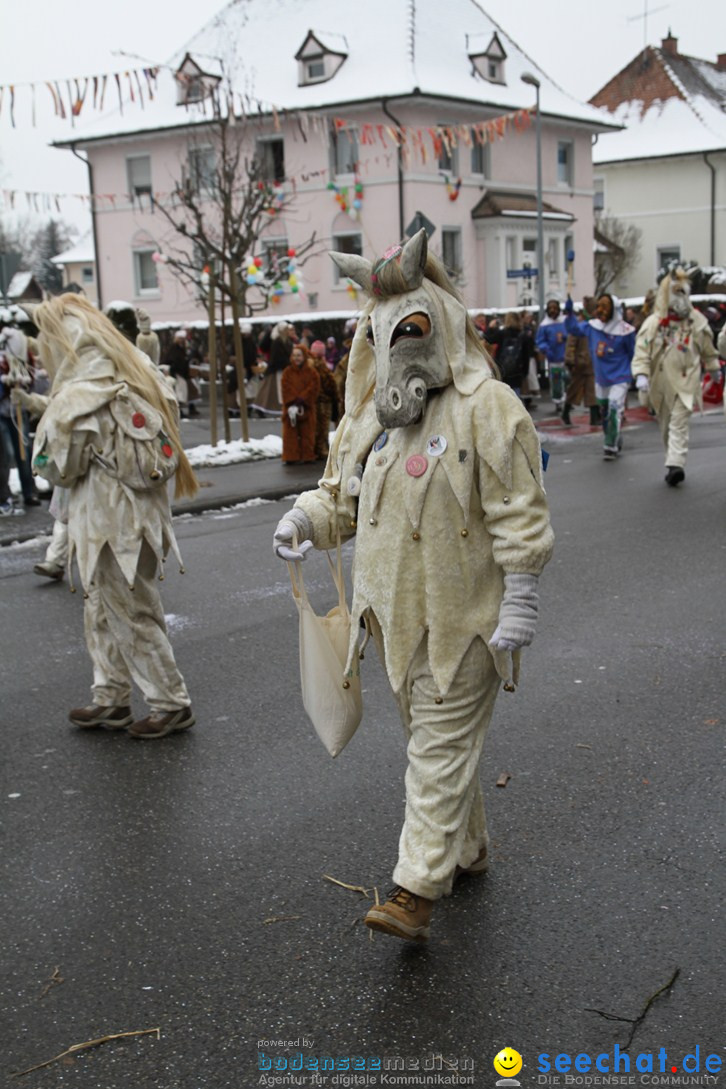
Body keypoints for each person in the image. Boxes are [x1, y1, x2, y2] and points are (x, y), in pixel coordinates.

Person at [273, 231, 553, 943]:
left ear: (440, 325)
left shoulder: (487, 408)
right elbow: (341, 498)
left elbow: (519, 507)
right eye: (381, 334)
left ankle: (413, 888)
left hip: (467, 619)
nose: (396, 350)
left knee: (436, 745)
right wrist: (304, 519)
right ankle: (468, 847)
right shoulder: (368, 422)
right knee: (437, 742)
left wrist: (521, 592)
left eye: (411, 331)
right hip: (392, 623)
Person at [30, 294, 198, 739]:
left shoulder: (79, 392)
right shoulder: (137, 367)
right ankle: (111, 696)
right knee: (102, 608)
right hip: (140, 516)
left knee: (128, 610)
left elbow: (54, 466)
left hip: (106, 523)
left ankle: (170, 701)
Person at [631, 268, 719, 486]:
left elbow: (707, 346)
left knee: (679, 422)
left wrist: (713, 366)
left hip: (687, 380)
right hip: (661, 384)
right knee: (666, 424)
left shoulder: (695, 320)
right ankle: (672, 459)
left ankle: (675, 464)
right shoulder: (654, 323)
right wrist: (641, 374)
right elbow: (642, 350)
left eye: (683, 292)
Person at [564, 293, 636, 460]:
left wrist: (637, 375)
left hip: (620, 377)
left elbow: (633, 353)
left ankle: (610, 446)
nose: (600, 310)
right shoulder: (593, 326)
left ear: (614, 309)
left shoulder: (626, 331)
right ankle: (614, 436)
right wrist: (569, 313)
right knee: (604, 411)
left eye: (605, 307)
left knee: (613, 408)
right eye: (599, 306)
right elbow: (573, 329)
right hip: (601, 378)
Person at [0, 327, 42, 507]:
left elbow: (27, 379)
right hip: (1, 411)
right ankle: (3, 495)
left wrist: (20, 382)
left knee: (23, 453)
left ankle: (29, 491)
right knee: (5, 454)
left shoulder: (17, 351)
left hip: (18, 409)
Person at [561, 297, 600, 426]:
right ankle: (565, 412)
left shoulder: (597, 325)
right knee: (574, 389)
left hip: (592, 364)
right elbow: (571, 341)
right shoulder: (583, 326)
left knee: (591, 391)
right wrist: (570, 361)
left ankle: (594, 417)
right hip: (580, 363)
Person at [281, 345, 320, 465]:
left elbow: (314, 387)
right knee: (290, 434)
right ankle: (290, 456)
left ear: (304, 357)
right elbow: (285, 387)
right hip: (290, 407)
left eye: (299, 355)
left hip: (306, 407)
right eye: (294, 355)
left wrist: (302, 399)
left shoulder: (312, 372)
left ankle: (308, 455)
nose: (296, 358)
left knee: (307, 433)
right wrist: (293, 400)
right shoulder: (287, 372)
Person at [484, 311, 531, 396]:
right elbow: (526, 355)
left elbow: (488, 339)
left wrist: (491, 328)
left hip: (503, 369)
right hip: (517, 370)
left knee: (504, 393)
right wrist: (525, 372)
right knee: (516, 394)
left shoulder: (502, 333)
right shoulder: (523, 335)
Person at [535, 298, 568, 413]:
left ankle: (568, 401)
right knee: (556, 382)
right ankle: (558, 403)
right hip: (554, 358)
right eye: (550, 309)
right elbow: (539, 340)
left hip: (567, 358)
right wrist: (546, 349)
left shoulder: (564, 321)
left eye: (555, 308)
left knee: (568, 380)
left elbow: (573, 334)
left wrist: (565, 337)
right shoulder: (544, 325)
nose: (553, 311)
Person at [256, 321, 295, 416]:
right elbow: (277, 357)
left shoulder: (285, 340)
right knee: (270, 391)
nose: (287, 331)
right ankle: (261, 408)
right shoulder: (277, 341)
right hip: (276, 370)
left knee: (273, 391)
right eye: (285, 329)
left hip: (282, 369)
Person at [309, 340, 339, 460]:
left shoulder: (311, 363)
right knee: (322, 427)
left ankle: (318, 448)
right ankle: (321, 449)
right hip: (323, 400)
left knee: (318, 426)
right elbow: (329, 383)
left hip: (318, 399)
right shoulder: (319, 365)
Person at [163, 330, 199, 418]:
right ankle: (180, 411)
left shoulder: (182, 348)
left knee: (183, 393)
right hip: (177, 374)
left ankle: (185, 409)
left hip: (182, 373)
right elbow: (172, 360)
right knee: (180, 394)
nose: (182, 340)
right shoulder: (174, 349)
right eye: (180, 338)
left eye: (183, 339)